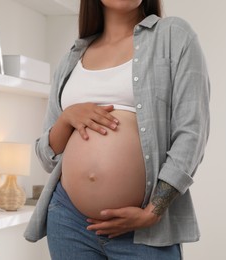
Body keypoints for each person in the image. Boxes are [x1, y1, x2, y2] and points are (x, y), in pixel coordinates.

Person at [24, 0, 210, 259]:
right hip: (69, 221)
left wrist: (153, 211)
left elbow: (192, 133)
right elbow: (47, 156)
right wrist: (66, 119)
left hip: (144, 228)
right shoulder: (72, 58)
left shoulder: (173, 35)